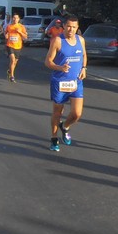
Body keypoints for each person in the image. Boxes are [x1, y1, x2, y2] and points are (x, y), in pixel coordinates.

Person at [44, 16, 86, 152]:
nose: (71, 29)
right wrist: (60, 68)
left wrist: (84, 68)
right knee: (57, 111)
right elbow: (48, 62)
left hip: (76, 82)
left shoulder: (81, 40)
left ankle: (65, 126)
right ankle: (54, 137)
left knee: (77, 113)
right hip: (60, 82)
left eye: (74, 27)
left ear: (77, 28)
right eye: (68, 26)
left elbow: (84, 55)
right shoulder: (57, 41)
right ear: (64, 26)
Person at [4, 13, 27, 82]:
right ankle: (12, 76)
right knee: (13, 60)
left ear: (19, 19)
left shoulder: (21, 27)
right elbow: (6, 34)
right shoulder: (9, 26)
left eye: (16, 18)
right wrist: (6, 36)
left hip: (18, 46)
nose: (15, 19)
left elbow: (25, 37)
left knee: (15, 62)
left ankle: (9, 71)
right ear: (12, 19)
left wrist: (20, 32)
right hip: (10, 45)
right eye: (14, 18)